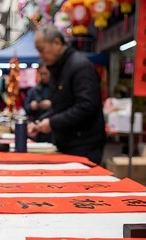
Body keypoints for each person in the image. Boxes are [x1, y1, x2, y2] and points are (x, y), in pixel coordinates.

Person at [28, 26, 105, 164]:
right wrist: (41, 122)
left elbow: (86, 106)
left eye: (42, 49)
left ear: (57, 43)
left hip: (84, 144)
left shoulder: (80, 66)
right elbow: (60, 106)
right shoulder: (58, 68)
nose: (40, 55)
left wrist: (52, 122)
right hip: (66, 142)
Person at [24, 64, 52, 142]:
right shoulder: (34, 90)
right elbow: (26, 108)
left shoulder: (57, 89)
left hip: (53, 129)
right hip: (38, 129)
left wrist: (51, 105)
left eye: (45, 74)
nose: (43, 76)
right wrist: (32, 106)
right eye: (41, 74)